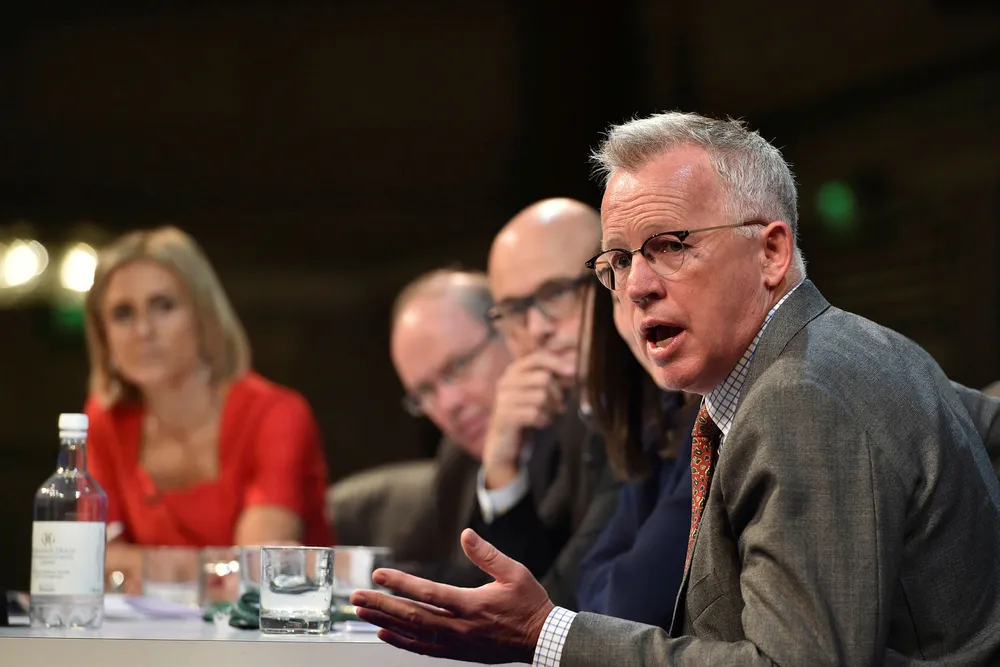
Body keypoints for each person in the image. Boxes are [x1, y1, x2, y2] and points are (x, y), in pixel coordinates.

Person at [350, 112, 1000, 666]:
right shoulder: (833, 356)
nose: (636, 287)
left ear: (771, 252)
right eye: (619, 261)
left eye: (668, 246)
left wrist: (545, 633)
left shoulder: (803, 396)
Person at [83, 226, 333, 594]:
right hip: (154, 628)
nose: (143, 330)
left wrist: (140, 567)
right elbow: (89, 563)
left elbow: (256, 572)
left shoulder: (276, 414)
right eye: (123, 313)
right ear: (103, 337)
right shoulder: (104, 421)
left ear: (204, 316)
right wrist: (207, 568)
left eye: (164, 306)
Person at [478, 198, 620, 607]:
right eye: (514, 310)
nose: (537, 328)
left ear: (610, 275)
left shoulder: (666, 409)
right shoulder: (567, 415)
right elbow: (526, 590)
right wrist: (501, 464)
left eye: (555, 293)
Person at [574, 290, 695, 627]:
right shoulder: (659, 420)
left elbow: (629, 604)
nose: (637, 319)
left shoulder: (727, 419)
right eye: (617, 299)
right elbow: (585, 582)